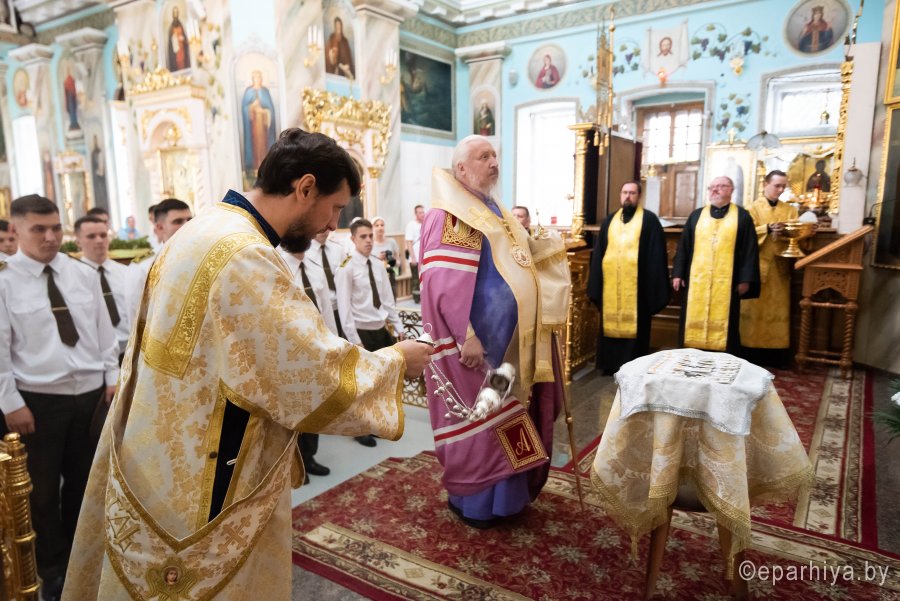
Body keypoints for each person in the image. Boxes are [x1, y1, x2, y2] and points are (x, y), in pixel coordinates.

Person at [61, 129, 430, 601]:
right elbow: (308, 374)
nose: (330, 224)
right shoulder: (246, 257)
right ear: (305, 187)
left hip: (157, 451)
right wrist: (396, 361)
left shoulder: (203, 227)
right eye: (335, 207)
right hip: (209, 470)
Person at [421, 135, 566, 529]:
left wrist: (545, 249)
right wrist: (466, 335)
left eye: (494, 155)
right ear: (461, 169)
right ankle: (477, 504)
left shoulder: (495, 208)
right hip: (477, 345)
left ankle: (509, 500)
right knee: (483, 420)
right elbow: (441, 283)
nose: (493, 162)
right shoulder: (449, 215)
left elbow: (518, 259)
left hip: (510, 341)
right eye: (483, 156)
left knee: (510, 410)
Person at [1, 196, 118, 601]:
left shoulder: (80, 273)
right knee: (42, 491)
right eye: (39, 229)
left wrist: (111, 377)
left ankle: (83, 559)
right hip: (38, 401)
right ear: (15, 230)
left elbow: (103, 331)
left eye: (55, 228)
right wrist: (10, 402)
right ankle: (52, 570)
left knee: (86, 484)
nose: (50, 237)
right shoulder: (4, 282)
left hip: (90, 396)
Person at [587, 181, 670, 375]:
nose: (628, 196)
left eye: (632, 193)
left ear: (639, 196)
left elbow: (656, 255)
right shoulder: (610, 220)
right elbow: (599, 253)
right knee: (608, 325)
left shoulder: (649, 220)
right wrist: (596, 283)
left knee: (637, 329)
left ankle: (634, 366)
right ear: (620, 195)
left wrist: (652, 287)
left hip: (638, 289)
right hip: (610, 286)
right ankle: (609, 365)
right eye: (624, 192)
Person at [672, 176, 760, 354]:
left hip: (728, 283)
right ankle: (690, 355)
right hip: (697, 282)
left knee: (727, 323)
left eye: (721, 186)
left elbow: (749, 250)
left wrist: (745, 279)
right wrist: (678, 273)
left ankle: (723, 358)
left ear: (731, 190)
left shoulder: (742, 216)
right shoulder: (696, 216)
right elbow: (684, 247)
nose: (715, 190)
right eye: (712, 186)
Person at [276, 243, 336, 481]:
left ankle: (309, 457)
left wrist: (334, 346)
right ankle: (292, 463)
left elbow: (326, 312)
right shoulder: (276, 266)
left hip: (317, 350)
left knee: (314, 408)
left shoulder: (315, 268)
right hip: (290, 354)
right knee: (293, 411)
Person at [740, 170, 799, 368]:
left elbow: (796, 233)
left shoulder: (790, 210)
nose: (780, 190)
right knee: (753, 310)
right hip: (757, 267)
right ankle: (749, 353)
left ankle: (776, 356)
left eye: (783, 186)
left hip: (780, 267)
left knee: (778, 310)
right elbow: (745, 235)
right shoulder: (751, 209)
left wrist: (795, 232)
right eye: (777, 185)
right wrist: (767, 228)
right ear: (765, 184)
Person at [125, 198, 192, 323]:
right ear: (160, 227)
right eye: (178, 221)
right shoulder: (143, 267)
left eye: (190, 220)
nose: (187, 225)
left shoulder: (205, 257)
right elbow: (136, 316)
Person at [75, 215, 131, 361]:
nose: (99, 241)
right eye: (91, 236)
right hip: (94, 355)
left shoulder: (126, 272)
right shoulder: (73, 276)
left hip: (128, 351)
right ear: (78, 242)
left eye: (103, 235)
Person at [241, 70, 277, 177]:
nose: (258, 79)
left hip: (264, 127)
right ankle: (255, 167)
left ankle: (266, 167)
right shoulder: (248, 92)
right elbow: (244, 109)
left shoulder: (265, 91)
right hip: (253, 126)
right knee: (255, 146)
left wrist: (265, 111)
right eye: (256, 77)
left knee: (264, 146)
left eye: (259, 77)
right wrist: (251, 107)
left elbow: (271, 109)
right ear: (253, 79)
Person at [371, 216, 400, 294]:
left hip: (390, 275)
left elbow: (398, 262)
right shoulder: (370, 243)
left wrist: (392, 261)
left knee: (392, 298)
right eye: (377, 225)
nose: (380, 227)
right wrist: (378, 258)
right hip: (375, 277)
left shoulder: (392, 242)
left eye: (382, 225)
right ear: (372, 228)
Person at [405, 204, 425, 302]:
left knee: (423, 278)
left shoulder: (425, 224)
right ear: (416, 214)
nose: (422, 214)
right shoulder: (411, 225)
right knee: (416, 279)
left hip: (424, 257)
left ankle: (424, 297)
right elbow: (409, 242)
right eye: (420, 212)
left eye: (423, 212)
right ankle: (416, 298)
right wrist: (413, 257)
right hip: (415, 257)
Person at [166, 6, 191, 71]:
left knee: (183, 63)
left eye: (177, 12)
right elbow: (170, 42)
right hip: (176, 51)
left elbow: (184, 37)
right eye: (174, 13)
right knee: (177, 63)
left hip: (182, 49)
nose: (176, 14)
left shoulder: (181, 25)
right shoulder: (171, 28)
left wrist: (183, 38)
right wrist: (175, 39)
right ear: (173, 14)